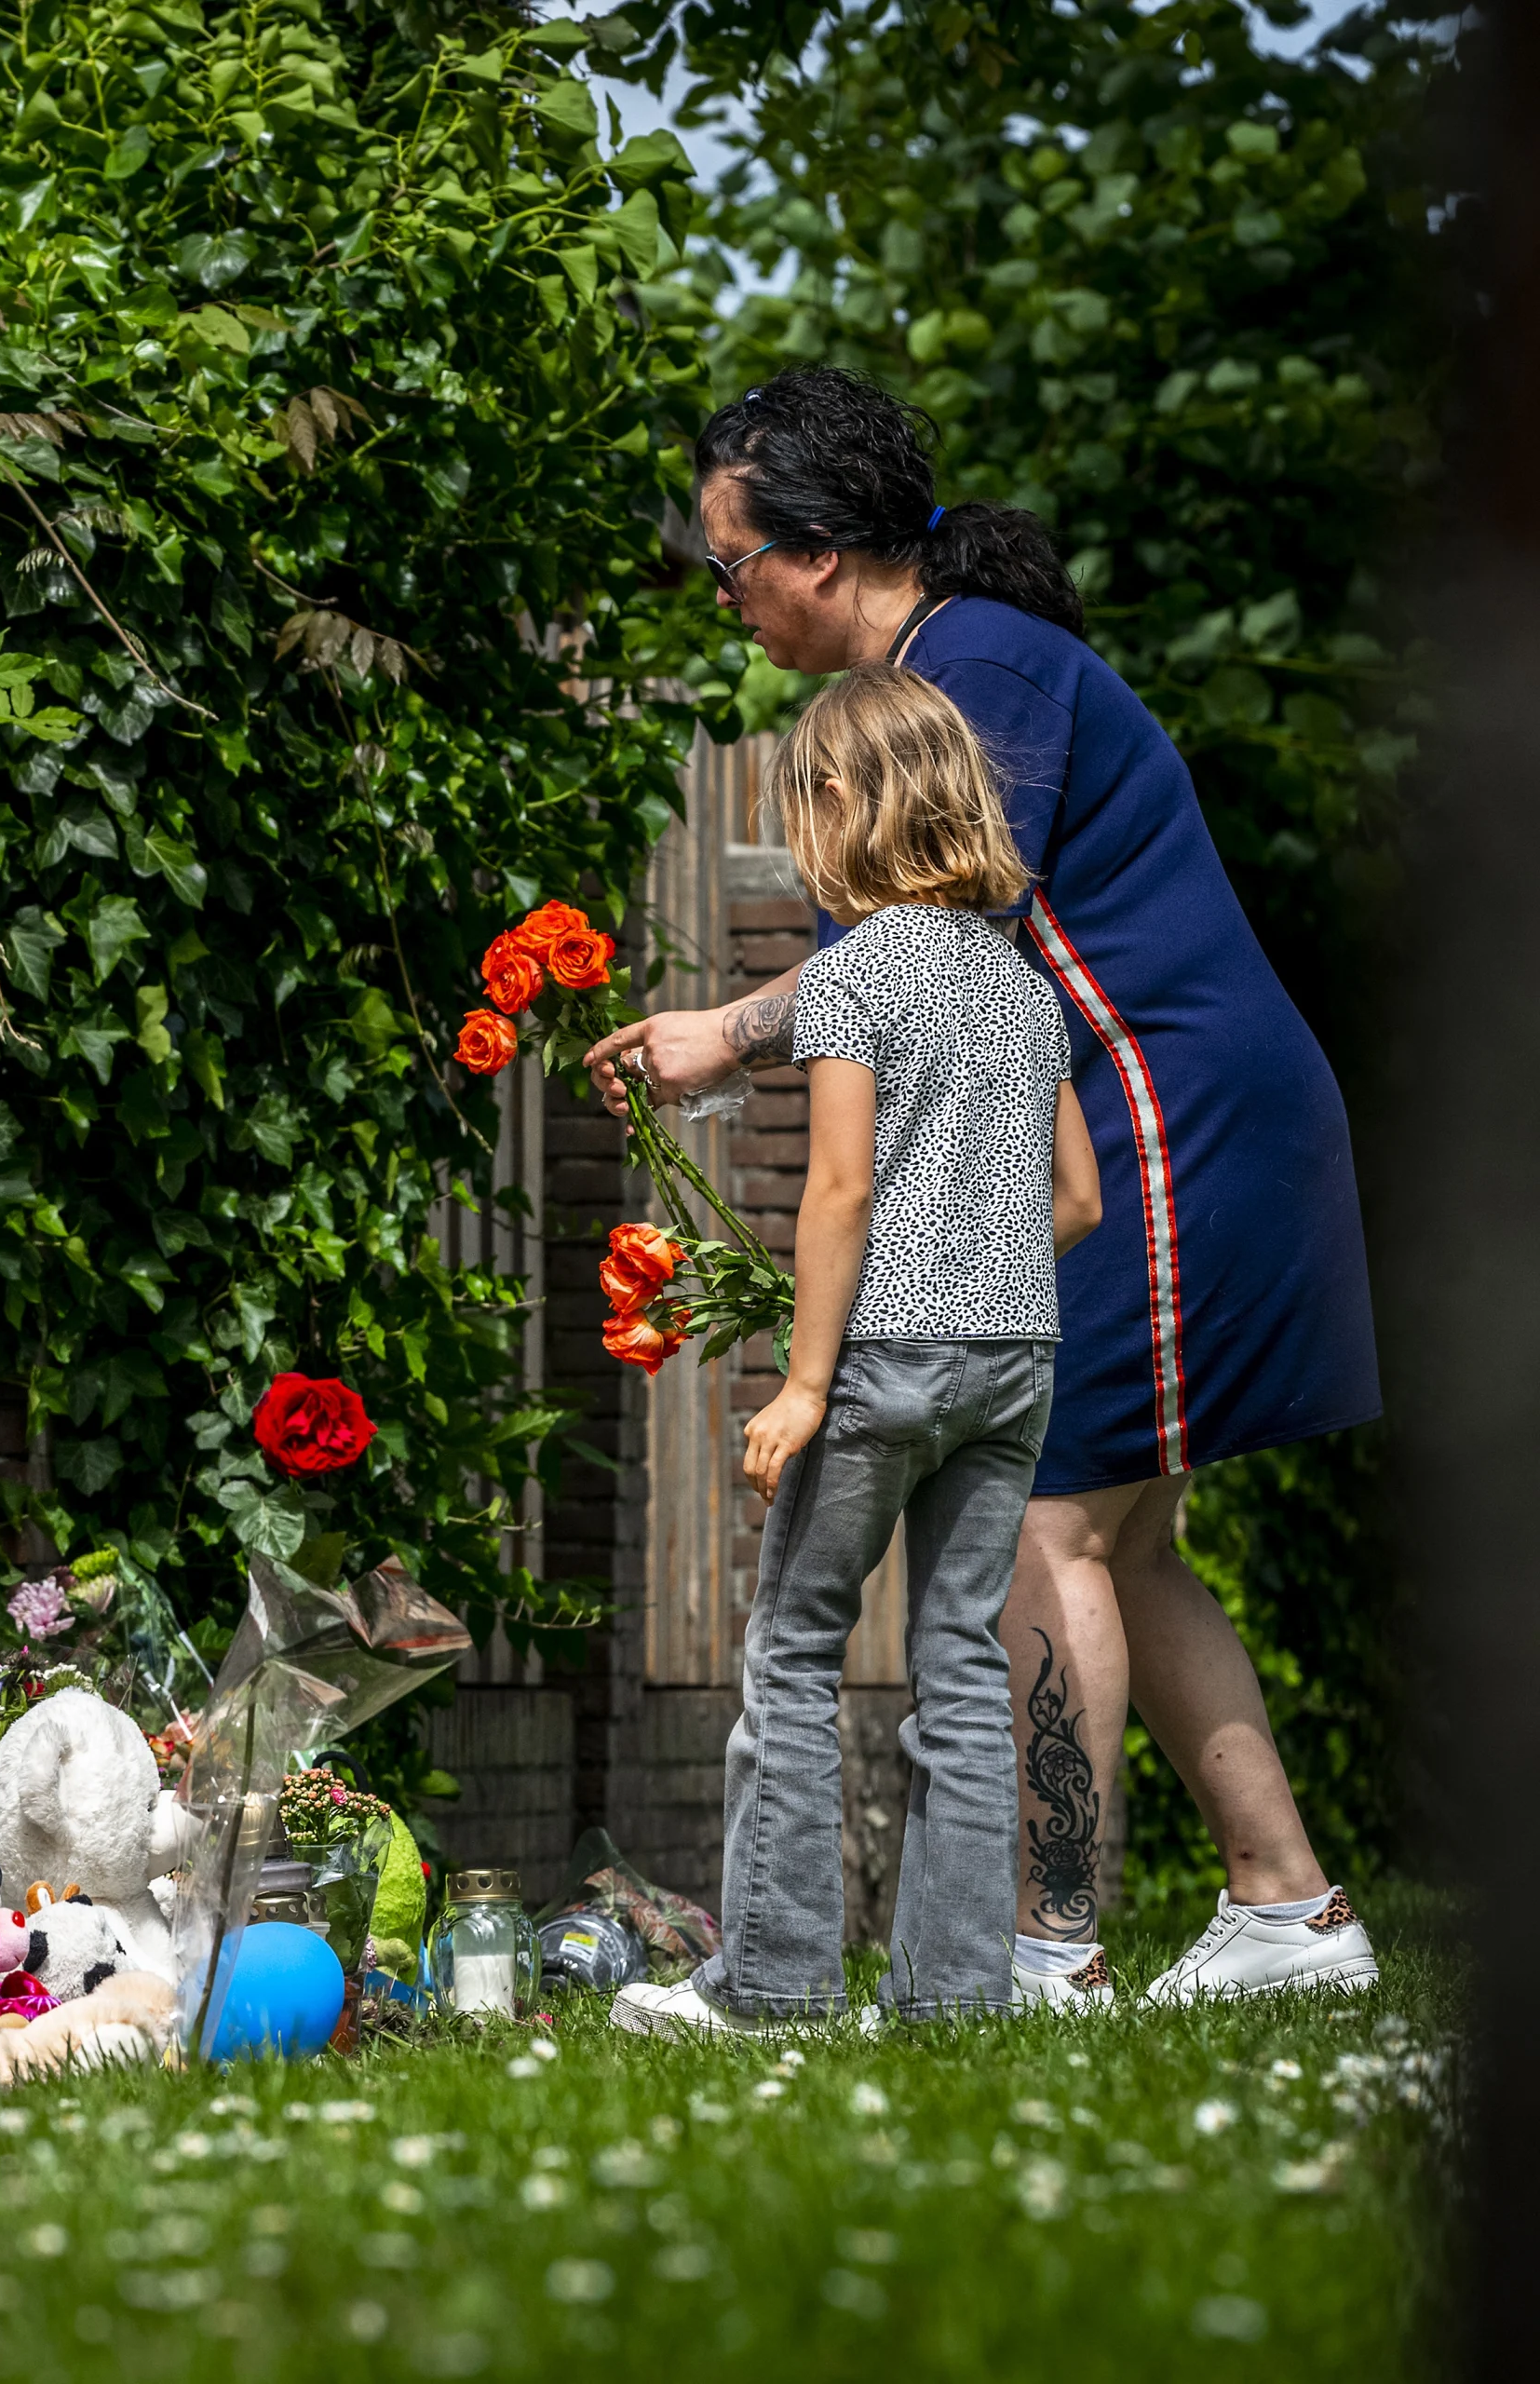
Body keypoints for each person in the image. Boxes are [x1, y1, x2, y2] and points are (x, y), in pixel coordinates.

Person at [588, 369, 1382, 2009]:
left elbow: (933, 944)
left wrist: (725, 1039)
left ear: (815, 554)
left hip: (1166, 1119)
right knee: (1121, 1539)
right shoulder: (960, 661)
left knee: (1049, 1529)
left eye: (728, 566)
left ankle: (1043, 1950)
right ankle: (1286, 1908)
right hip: (1181, 1115)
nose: (722, 600)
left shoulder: (978, 666)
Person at [614, 663, 1100, 2036]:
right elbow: (1079, 1199)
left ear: (841, 801)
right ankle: (953, 1998)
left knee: (795, 1651)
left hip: (883, 1359)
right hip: (1016, 1359)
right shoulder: (1021, 984)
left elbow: (837, 1190)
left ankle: (774, 1986)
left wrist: (810, 1382)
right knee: (958, 1659)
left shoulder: (851, 977)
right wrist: (981, 1281)